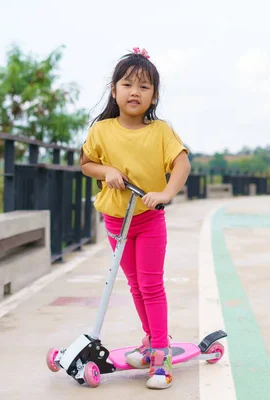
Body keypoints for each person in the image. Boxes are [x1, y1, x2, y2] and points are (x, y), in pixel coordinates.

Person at [79, 47, 190, 390]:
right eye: (127, 84)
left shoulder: (160, 132)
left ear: (154, 96)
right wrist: (107, 169)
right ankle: (151, 338)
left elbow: (182, 163)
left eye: (144, 87)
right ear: (114, 90)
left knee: (152, 284)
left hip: (148, 218)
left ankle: (161, 353)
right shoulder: (102, 130)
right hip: (116, 220)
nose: (134, 92)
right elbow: (86, 164)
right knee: (135, 286)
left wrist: (166, 193)